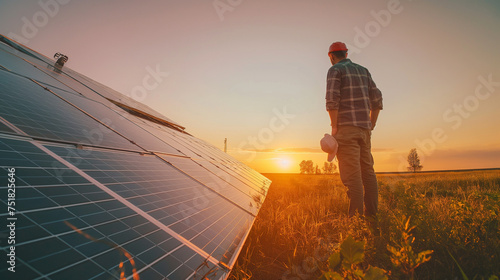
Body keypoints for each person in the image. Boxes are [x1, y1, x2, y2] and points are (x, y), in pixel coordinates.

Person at [325, 41, 383, 217]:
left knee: (353, 178)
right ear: (346, 54)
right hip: (364, 131)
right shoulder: (363, 71)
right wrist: (371, 124)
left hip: (346, 130)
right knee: (368, 173)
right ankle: (372, 217)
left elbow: (332, 100)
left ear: (332, 56)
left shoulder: (335, 70)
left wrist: (334, 126)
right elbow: (377, 99)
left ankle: (356, 223)